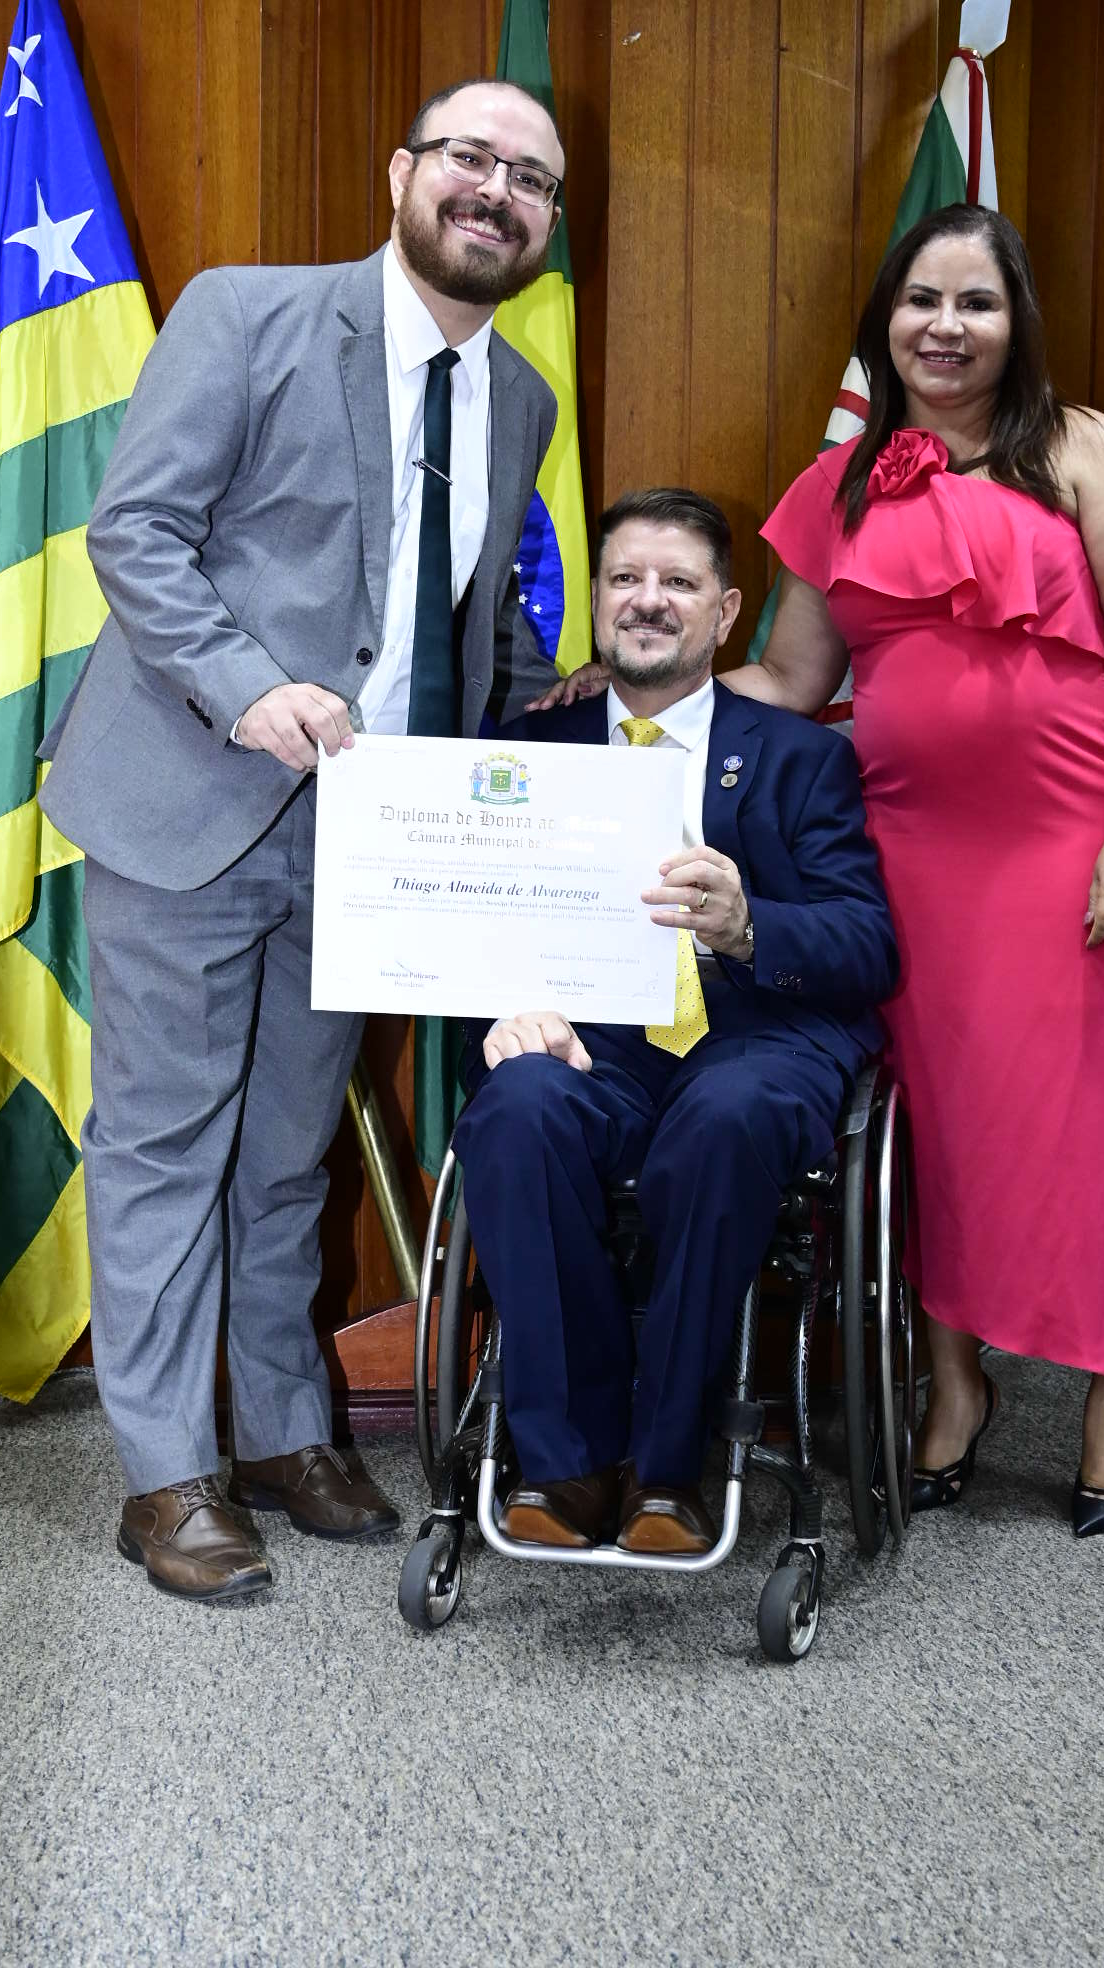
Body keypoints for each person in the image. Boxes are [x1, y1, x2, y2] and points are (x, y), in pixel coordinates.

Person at [37, 79, 566, 1602]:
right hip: (189, 804)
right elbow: (136, 530)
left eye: (531, 178)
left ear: (545, 224)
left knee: (285, 1154)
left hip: (367, 844)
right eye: (469, 157)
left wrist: (565, 699)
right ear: (403, 172)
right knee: (161, 1149)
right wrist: (247, 687)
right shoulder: (248, 314)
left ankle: (278, 1430)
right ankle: (166, 1474)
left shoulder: (521, 397)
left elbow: (459, 625)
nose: (496, 191)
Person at [743, 204, 1104, 1536]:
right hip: (905, 859)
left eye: (976, 303)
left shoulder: (1082, 451)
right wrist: (629, 696)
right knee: (937, 1129)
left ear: (1016, 322)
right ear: (884, 319)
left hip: (1074, 847)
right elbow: (790, 681)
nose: (945, 327)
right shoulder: (839, 485)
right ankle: (955, 1387)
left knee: (1092, 1129)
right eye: (921, 300)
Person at [453, 490, 897, 1554]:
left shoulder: (801, 757)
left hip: (759, 1041)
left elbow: (868, 946)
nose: (648, 601)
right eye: (625, 579)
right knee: (515, 1109)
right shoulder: (528, 748)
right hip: (591, 1039)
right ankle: (569, 1465)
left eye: (679, 583)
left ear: (726, 612)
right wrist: (507, 999)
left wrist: (749, 927)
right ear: (596, 600)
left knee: (725, 1120)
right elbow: (467, 916)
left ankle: (669, 1466)